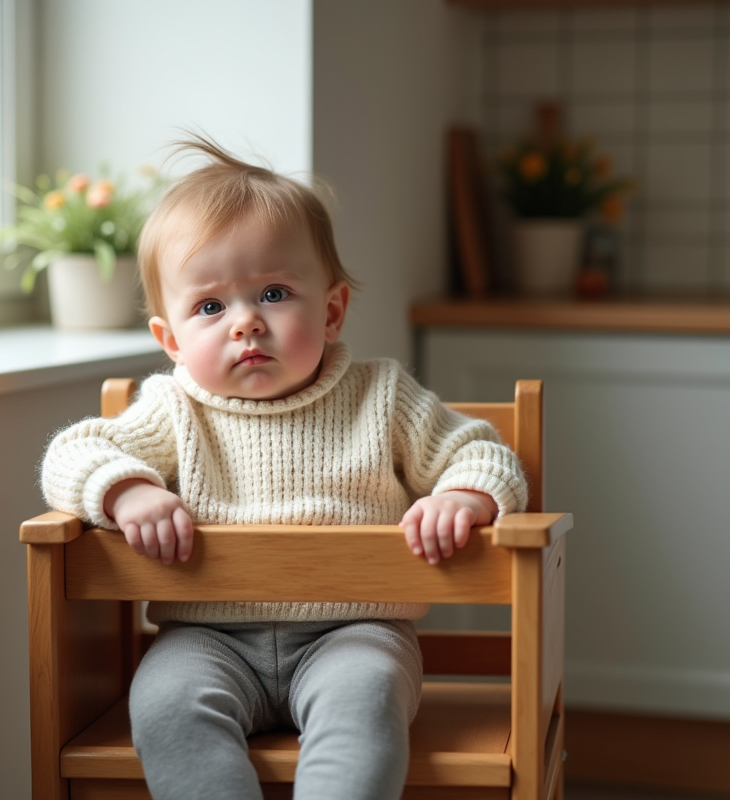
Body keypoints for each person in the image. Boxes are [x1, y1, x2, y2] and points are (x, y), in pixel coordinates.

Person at [39, 135, 528, 800]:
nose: (245, 324)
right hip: (206, 640)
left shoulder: (383, 397)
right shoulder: (171, 407)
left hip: (354, 634)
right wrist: (127, 492)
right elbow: (72, 453)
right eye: (211, 306)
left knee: (367, 697)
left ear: (330, 312)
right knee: (164, 705)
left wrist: (464, 499)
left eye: (272, 293)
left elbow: (483, 452)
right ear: (172, 340)